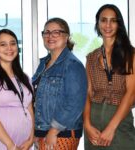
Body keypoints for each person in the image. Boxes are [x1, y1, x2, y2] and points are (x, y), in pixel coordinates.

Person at [84, 4, 135, 150]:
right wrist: (86, 124)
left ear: (119, 24)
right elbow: (87, 94)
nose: (108, 25)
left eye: (113, 20)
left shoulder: (130, 54)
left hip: (119, 123)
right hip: (93, 123)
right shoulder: (91, 57)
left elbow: (131, 93)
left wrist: (111, 128)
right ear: (97, 23)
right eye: (103, 20)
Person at [32, 17, 87, 150]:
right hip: (42, 132)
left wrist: (53, 130)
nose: (50, 36)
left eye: (56, 32)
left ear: (67, 36)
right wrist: (36, 131)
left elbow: (75, 103)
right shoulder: (43, 64)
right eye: (47, 32)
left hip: (61, 134)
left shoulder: (72, 65)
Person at [0, 29, 34, 150]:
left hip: (23, 144)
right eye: (3, 44)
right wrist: (11, 146)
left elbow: (29, 109)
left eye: (13, 43)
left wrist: (31, 139)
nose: (9, 48)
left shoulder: (25, 77)